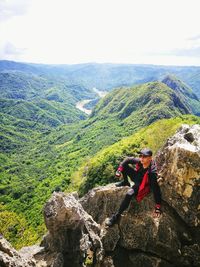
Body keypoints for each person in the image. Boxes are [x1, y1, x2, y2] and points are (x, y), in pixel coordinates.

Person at [105, 148, 162, 227]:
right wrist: (119, 170)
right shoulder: (140, 161)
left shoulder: (151, 173)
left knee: (129, 194)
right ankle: (126, 182)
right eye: (140, 156)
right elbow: (127, 159)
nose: (141, 158)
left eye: (144, 156)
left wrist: (158, 207)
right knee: (124, 166)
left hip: (141, 184)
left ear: (150, 158)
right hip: (136, 176)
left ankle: (116, 216)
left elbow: (156, 189)